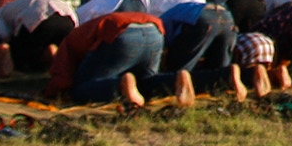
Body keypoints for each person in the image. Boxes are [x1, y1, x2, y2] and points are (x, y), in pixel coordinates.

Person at [47, 9, 191, 108]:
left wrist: (51, 92)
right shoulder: (83, 29)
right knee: (146, 80)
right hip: (153, 29)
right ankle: (175, 80)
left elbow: (62, 78)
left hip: (120, 33)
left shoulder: (67, 44)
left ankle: (120, 86)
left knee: (82, 88)